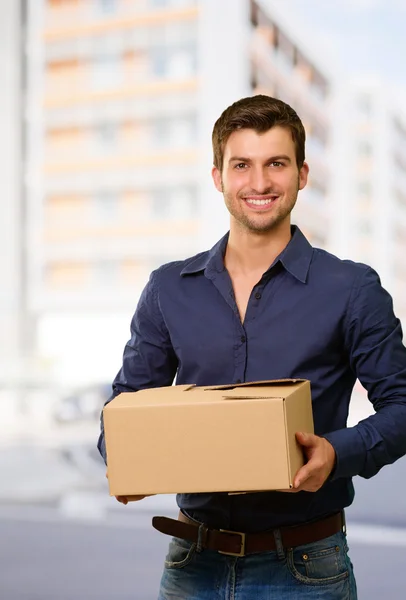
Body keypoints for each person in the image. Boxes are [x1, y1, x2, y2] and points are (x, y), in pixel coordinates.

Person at [97, 95, 406, 599]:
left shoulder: (352, 289)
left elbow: (402, 406)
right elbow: (125, 405)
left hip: (306, 567)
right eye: (241, 165)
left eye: (276, 164)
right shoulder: (169, 288)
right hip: (192, 565)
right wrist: (126, 457)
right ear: (218, 176)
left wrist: (336, 452)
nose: (259, 183)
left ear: (302, 174)